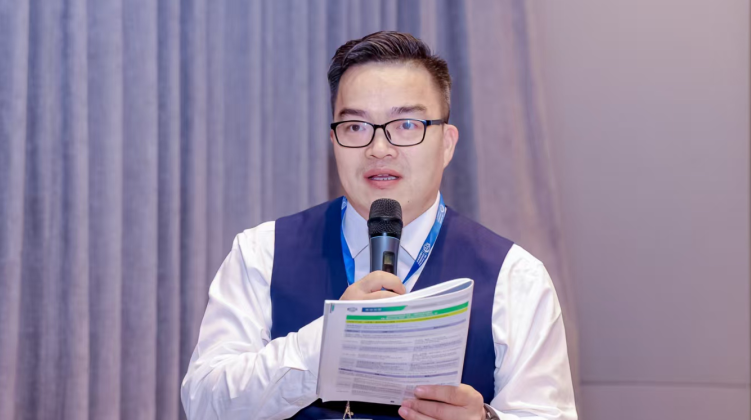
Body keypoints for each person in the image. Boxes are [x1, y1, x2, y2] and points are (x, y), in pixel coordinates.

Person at [181, 31, 577, 420]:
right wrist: (324, 345)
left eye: (406, 125)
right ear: (334, 142)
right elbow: (204, 403)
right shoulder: (262, 253)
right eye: (356, 127)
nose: (379, 148)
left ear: (447, 144)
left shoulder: (514, 276)